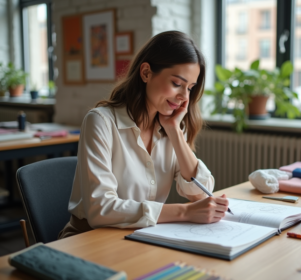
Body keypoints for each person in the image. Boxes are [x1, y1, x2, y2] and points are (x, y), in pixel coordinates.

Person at [58, 31, 228, 239]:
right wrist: (184, 212)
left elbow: (200, 193)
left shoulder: (171, 125)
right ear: (146, 73)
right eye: (176, 83)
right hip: (91, 238)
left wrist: (174, 130)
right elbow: (100, 210)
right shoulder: (100, 122)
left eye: (190, 88)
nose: (184, 97)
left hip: (142, 236)